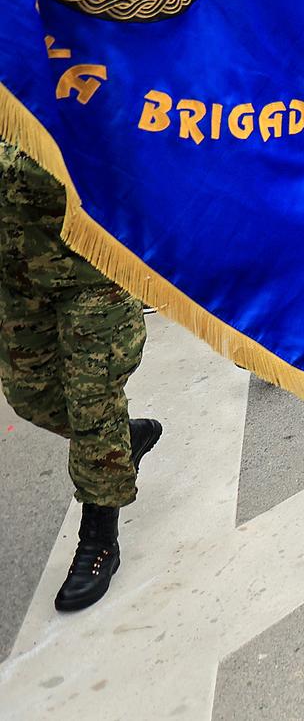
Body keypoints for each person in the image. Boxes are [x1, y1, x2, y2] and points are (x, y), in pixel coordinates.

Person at [0, 144, 160, 612]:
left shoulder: (75, 70)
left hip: (93, 269)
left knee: (92, 403)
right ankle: (119, 442)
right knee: (31, 395)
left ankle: (98, 539)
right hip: (16, 275)